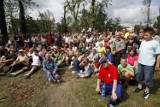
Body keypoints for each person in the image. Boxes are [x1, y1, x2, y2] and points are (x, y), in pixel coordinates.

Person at [134, 27, 160, 99]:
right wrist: (137, 61)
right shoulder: (143, 42)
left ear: (152, 35)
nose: (144, 36)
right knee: (139, 75)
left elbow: (158, 54)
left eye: (146, 35)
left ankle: (147, 90)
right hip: (140, 62)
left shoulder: (156, 43)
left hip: (149, 63)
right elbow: (140, 52)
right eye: (144, 35)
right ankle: (139, 86)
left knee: (148, 77)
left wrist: (157, 65)